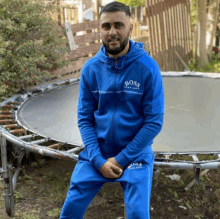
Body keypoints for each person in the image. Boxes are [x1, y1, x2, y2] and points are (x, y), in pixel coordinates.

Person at [60, 2, 164, 219]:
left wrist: (120, 160)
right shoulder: (91, 69)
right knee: (69, 210)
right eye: (106, 26)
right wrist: (98, 160)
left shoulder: (147, 68)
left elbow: (153, 122)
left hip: (135, 154)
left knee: (137, 214)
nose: (112, 32)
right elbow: (85, 120)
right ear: (100, 29)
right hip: (97, 152)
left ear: (130, 28)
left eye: (119, 25)